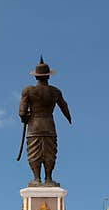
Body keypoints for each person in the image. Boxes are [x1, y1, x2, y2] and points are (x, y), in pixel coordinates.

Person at [18, 56, 72, 185]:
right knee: (49, 151)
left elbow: (21, 112)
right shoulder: (55, 92)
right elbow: (64, 107)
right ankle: (48, 178)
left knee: (34, 151)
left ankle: (37, 178)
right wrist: (69, 118)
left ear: (36, 76)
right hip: (49, 124)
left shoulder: (29, 91)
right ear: (48, 76)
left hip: (34, 125)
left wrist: (25, 117)